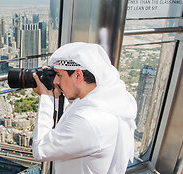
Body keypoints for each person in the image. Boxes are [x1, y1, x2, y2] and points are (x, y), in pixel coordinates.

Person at [32, 42, 137, 174]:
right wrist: (57, 97)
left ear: (78, 75)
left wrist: (46, 97)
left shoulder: (88, 120)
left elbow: (40, 150)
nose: (55, 81)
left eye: (59, 75)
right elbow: (71, 117)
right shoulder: (104, 100)